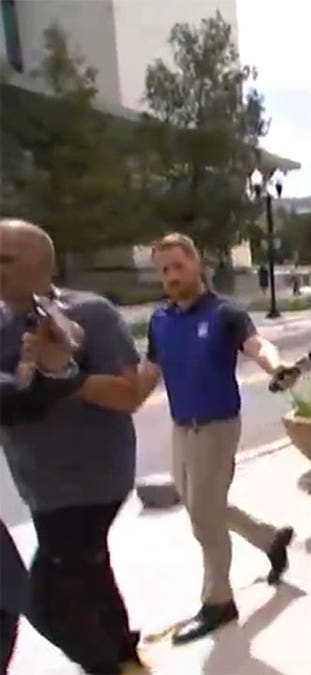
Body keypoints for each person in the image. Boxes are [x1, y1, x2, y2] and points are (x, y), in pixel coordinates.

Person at [135, 233, 295, 645]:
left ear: (198, 263)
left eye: (178, 266)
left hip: (218, 425)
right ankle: (268, 537)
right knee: (202, 504)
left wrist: (276, 366)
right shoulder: (160, 320)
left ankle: (218, 602)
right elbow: (148, 374)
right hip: (181, 426)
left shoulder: (225, 312)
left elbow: (257, 344)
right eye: (164, 270)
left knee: (203, 519)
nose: (171, 276)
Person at [0, 219, 144, 672]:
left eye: (4, 260)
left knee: (45, 601)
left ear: (39, 266)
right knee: (91, 576)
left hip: (90, 484)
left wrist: (65, 373)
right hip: (38, 484)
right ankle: (126, 656)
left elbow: (129, 394)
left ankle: (110, 668)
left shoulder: (91, 313)